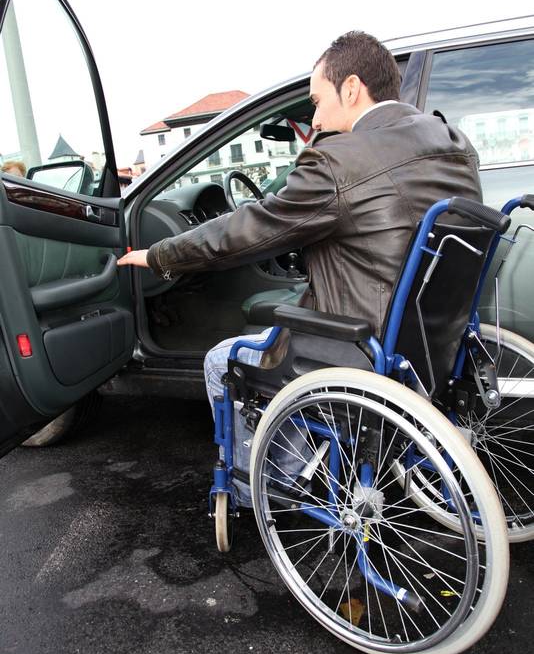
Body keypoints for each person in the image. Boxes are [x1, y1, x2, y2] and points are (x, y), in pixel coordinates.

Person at [118, 30, 483, 503]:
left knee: (222, 360)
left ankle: (270, 488)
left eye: (316, 101)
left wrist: (160, 254)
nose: (315, 118)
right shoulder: (453, 143)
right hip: (433, 346)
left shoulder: (342, 160)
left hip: (363, 348)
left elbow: (248, 229)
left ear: (351, 88)